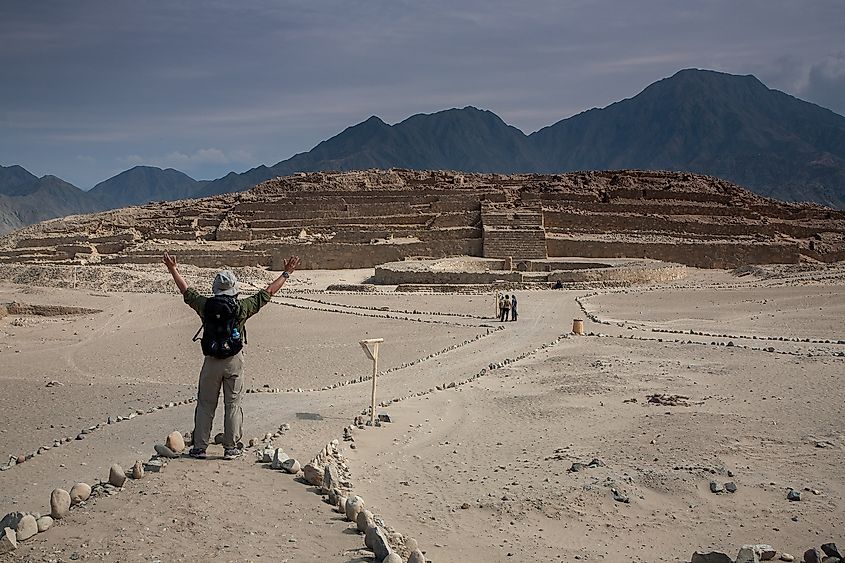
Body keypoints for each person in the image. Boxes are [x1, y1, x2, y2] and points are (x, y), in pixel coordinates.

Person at [163, 251, 301, 460]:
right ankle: (231, 447)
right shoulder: (242, 307)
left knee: (206, 404)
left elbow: (187, 292)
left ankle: (200, 447)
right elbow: (268, 292)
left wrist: (173, 269)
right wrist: (286, 273)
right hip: (233, 361)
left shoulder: (205, 306)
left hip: (211, 361)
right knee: (233, 405)